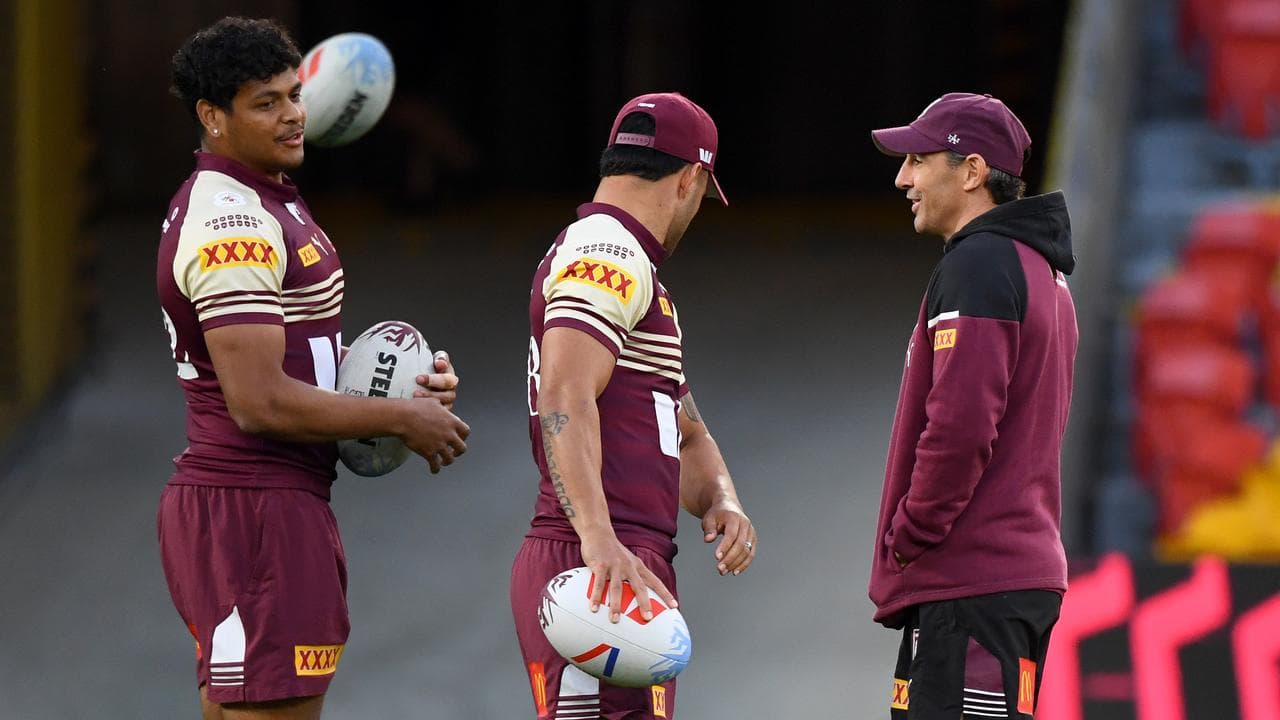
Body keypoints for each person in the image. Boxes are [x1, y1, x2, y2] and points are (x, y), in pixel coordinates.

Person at [156, 17, 469, 720]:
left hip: (256, 510)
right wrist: (399, 417)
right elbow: (259, 401)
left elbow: (290, 347)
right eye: (265, 102)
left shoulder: (260, 195)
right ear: (213, 117)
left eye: (294, 94)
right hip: (257, 512)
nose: (294, 113)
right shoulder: (231, 223)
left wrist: (401, 383)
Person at [509, 92, 756, 719]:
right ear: (692, 179)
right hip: (596, 557)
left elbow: (685, 426)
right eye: (703, 194)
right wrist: (597, 539)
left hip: (616, 556)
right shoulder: (609, 251)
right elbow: (563, 392)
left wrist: (721, 499)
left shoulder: (621, 260)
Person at [866, 92, 1078, 719]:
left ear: (972, 170)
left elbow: (960, 428)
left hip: (974, 583)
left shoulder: (982, 263)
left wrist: (910, 534)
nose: (903, 178)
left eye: (919, 160)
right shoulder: (1039, 268)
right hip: (1005, 583)